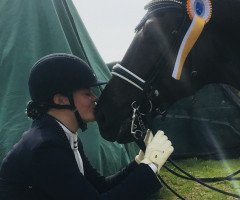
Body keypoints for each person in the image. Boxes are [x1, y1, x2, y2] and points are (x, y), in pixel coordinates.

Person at [0, 53, 174, 200]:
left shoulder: (60, 136)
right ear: (61, 99)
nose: (94, 98)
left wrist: (139, 162)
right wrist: (151, 165)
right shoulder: (45, 146)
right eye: (87, 93)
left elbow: (99, 186)